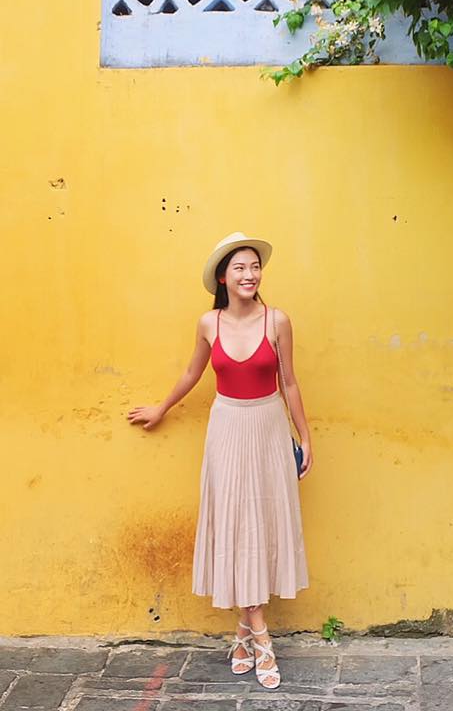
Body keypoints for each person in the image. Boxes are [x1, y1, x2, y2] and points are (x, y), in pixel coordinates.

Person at [128, 232, 311, 690]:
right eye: (240, 268)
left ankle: (245, 632)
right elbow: (193, 371)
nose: (250, 275)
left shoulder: (278, 321)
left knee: (262, 525)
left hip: (268, 428)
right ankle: (261, 634)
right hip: (227, 428)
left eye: (255, 267)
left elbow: (289, 382)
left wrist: (305, 437)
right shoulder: (209, 323)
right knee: (234, 522)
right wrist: (162, 408)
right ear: (223, 278)